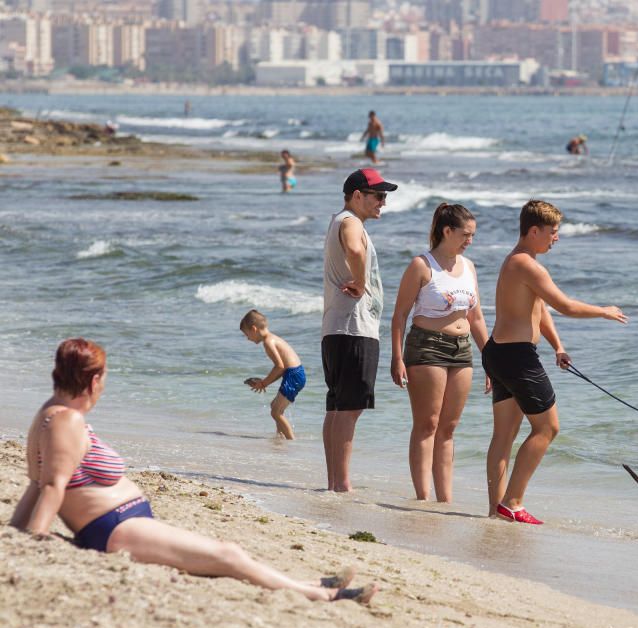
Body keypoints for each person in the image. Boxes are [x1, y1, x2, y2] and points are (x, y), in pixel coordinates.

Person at [9, 338, 375, 603]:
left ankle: (309, 583)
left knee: (219, 557)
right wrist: (38, 537)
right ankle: (320, 594)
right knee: (227, 555)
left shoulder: (49, 414)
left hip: (122, 524)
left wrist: (17, 532)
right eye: (104, 379)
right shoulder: (66, 422)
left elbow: (35, 484)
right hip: (114, 530)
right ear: (92, 381)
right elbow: (52, 485)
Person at [483, 200, 627, 524]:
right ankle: (513, 502)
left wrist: (558, 346)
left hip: (499, 352)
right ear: (534, 231)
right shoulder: (527, 265)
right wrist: (604, 310)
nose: (556, 238)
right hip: (517, 357)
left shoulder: (517, 262)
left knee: (503, 436)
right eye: (553, 232)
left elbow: (540, 310)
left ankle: (497, 510)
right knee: (548, 428)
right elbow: (565, 306)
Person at [390, 203, 490, 503]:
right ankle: (422, 498)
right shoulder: (421, 265)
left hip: (462, 350)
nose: (470, 240)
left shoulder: (469, 267)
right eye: (465, 234)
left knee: (448, 427)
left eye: (472, 235)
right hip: (426, 346)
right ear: (447, 231)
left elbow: (477, 318)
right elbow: (399, 316)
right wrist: (397, 358)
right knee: (428, 423)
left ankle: (444, 501)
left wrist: (492, 359)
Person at [322, 168, 398, 492]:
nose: (383, 202)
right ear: (357, 196)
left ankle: (334, 482)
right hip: (353, 328)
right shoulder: (350, 222)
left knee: (338, 406)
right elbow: (355, 249)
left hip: (338, 328)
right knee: (349, 408)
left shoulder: (340, 220)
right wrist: (361, 281)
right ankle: (342, 484)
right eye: (378, 196)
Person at [240, 309, 306, 440]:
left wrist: (264, 383)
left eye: (247, 335)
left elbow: (279, 367)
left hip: (293, 375)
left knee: (276, 412)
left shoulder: (268, 342)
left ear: (254, 329)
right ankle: (280, 436)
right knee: (274, 407)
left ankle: (291, 440)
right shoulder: (272, 338)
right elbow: (281, 369)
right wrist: (264, 382)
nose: (247, 339)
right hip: (294, 373)